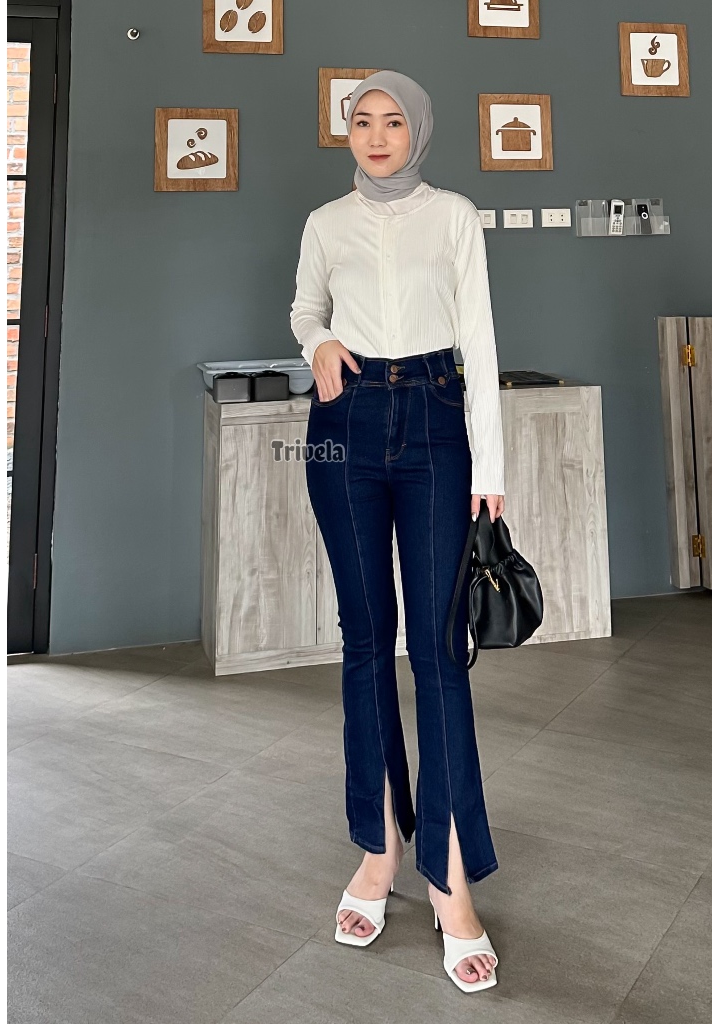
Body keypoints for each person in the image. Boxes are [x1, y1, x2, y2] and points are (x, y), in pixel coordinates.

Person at [289, 69, 505, 993]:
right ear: (348, 133)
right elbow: (305, 308)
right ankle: (378, 849)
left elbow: (480, 339)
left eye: (393, 122)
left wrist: (489, 467)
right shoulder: (324, 224)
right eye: (361, 122)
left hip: (435, 418)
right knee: (366, 641)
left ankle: (450, 876)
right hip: (343, 422)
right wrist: (318, 344)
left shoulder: (453, 216)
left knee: (440, 651)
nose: (376, 136)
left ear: (418, 130)